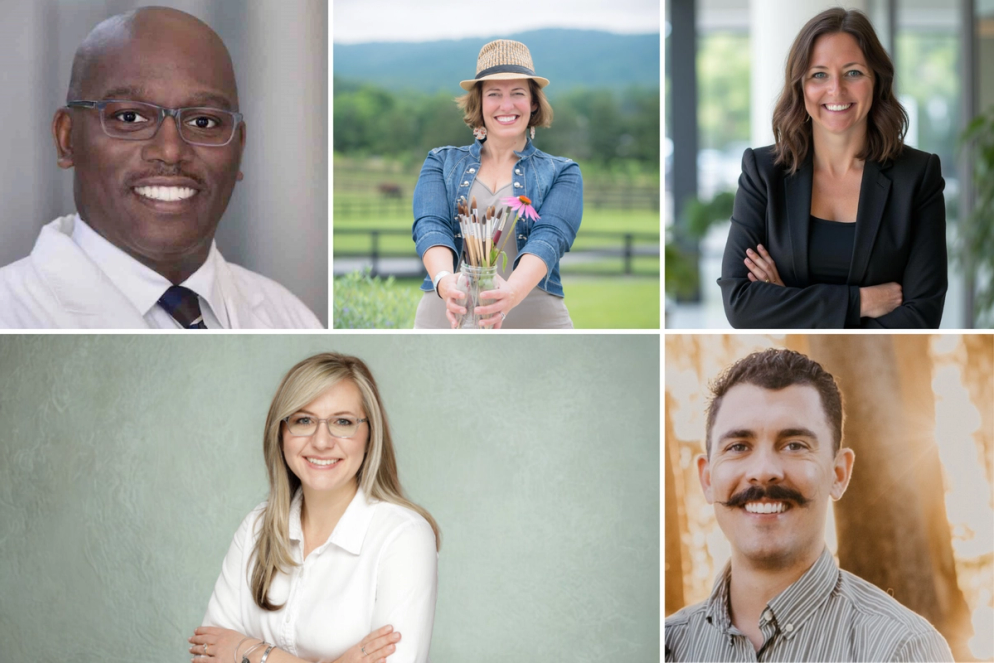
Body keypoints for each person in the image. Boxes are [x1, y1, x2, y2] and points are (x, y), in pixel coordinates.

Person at [0, 7, 322, 329]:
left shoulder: (292, 318)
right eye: (130, 118)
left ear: (239, 146)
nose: (170, 151)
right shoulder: (12, 312)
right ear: (67, 139)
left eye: (203, 121)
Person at [664, 348, 953, 662]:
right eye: (738, 446)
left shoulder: (902, 649)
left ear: (838, 474)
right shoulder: (665, 645)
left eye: (794, 445)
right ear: (707, 479)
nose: (763, 471)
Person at [189, 353, 439, 663]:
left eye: (343, 422)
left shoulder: (404, 537)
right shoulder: (256, 526)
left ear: (370, 435)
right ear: (280, 433)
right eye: (303, 420)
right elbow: (206, 656)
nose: (322, 442)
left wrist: (256, 655)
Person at [718, 8, 946, 329]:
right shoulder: (762, 172)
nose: (836, 89)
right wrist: (862, 301)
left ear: (876, 80)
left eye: (853, 72)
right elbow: (741, 304)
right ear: (801, 86)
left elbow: (921, 317)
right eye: (819, 74)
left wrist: (789, 300)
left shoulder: (918, 176)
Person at [411, 39, 582, 329]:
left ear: (534, 102)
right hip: (445, 320)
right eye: (494, 94)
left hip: (537, 324)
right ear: (479, 103)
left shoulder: (563, 172)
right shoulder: (441, 161)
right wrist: (444, 282)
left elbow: (550, 236)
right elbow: (430, 225)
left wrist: (511, 293)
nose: (506, 105)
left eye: (518, 93)